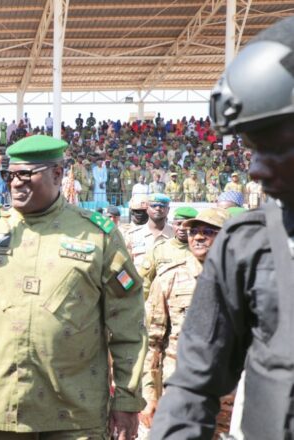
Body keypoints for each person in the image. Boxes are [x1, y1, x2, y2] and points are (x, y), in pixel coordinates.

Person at [0, 138, 147, 439]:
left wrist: (126, 400)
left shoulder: (97, 235)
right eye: (10, 175)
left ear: (57, 174)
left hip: (74, 413)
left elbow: (128, 324)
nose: (16, 183)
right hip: (2, 408)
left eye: (27, 174)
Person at [151, 17, 294, 439]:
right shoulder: (247, 245)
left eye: (273, 146)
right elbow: (193, 385)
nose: (254, 169)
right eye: (250, 148)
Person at [141, 208, 231, 437]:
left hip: (231, 398)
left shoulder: (244, 280)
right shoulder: (169, 278)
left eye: (208, 232)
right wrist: (150, 394)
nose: (198, 237)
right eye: (193, 231)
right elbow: (152, 342)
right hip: (183, 393)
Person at [138, 206, 197, 299]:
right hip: (162, 306)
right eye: (178, 224)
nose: (182, 228)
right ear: (173, 224)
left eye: (186, 225)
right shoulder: (159, 249)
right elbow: (145, 282)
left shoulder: (202, 251)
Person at [126, 193, 173, 270]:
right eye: (153, 206)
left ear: (168, 210)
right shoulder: (132, 235)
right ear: (147, 209)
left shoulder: (174, 234)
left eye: (162, 206)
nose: (158, 208)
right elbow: (125, 267)